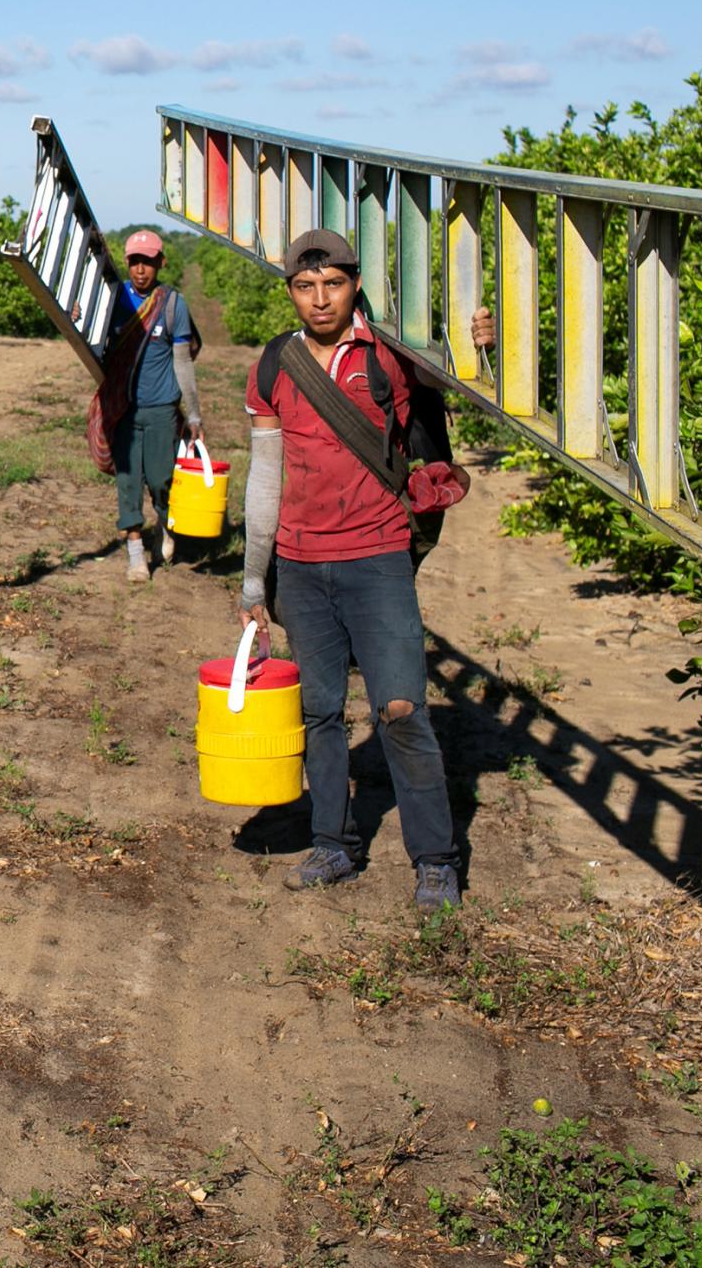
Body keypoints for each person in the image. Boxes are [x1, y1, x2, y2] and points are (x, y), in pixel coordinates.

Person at [239, 228, 463, 910]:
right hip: (302, 567)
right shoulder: (275, 364)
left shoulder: (389, 356)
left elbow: (462, 376)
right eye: (305, 287)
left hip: (376, 557)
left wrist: (476, 338)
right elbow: (265, 475)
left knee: (399, 708)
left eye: (332, 283)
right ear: (290, 292)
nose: (319, 299)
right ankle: (333, 845)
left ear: (354, 283)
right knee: (319, 712)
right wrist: (254, 577)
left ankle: (435, 859)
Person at [108, 229, 204, 582]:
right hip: (123, 409)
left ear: (161, 262)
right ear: (127, 263)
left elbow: (183, 362)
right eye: (134, 262)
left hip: (162, 408)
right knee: (129, 481)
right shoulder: (114, 299)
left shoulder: (173, 304)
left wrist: (193, 413)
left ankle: (165, 525)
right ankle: (136, 555)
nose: (141, 270)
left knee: (163, 479)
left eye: (148, 262)